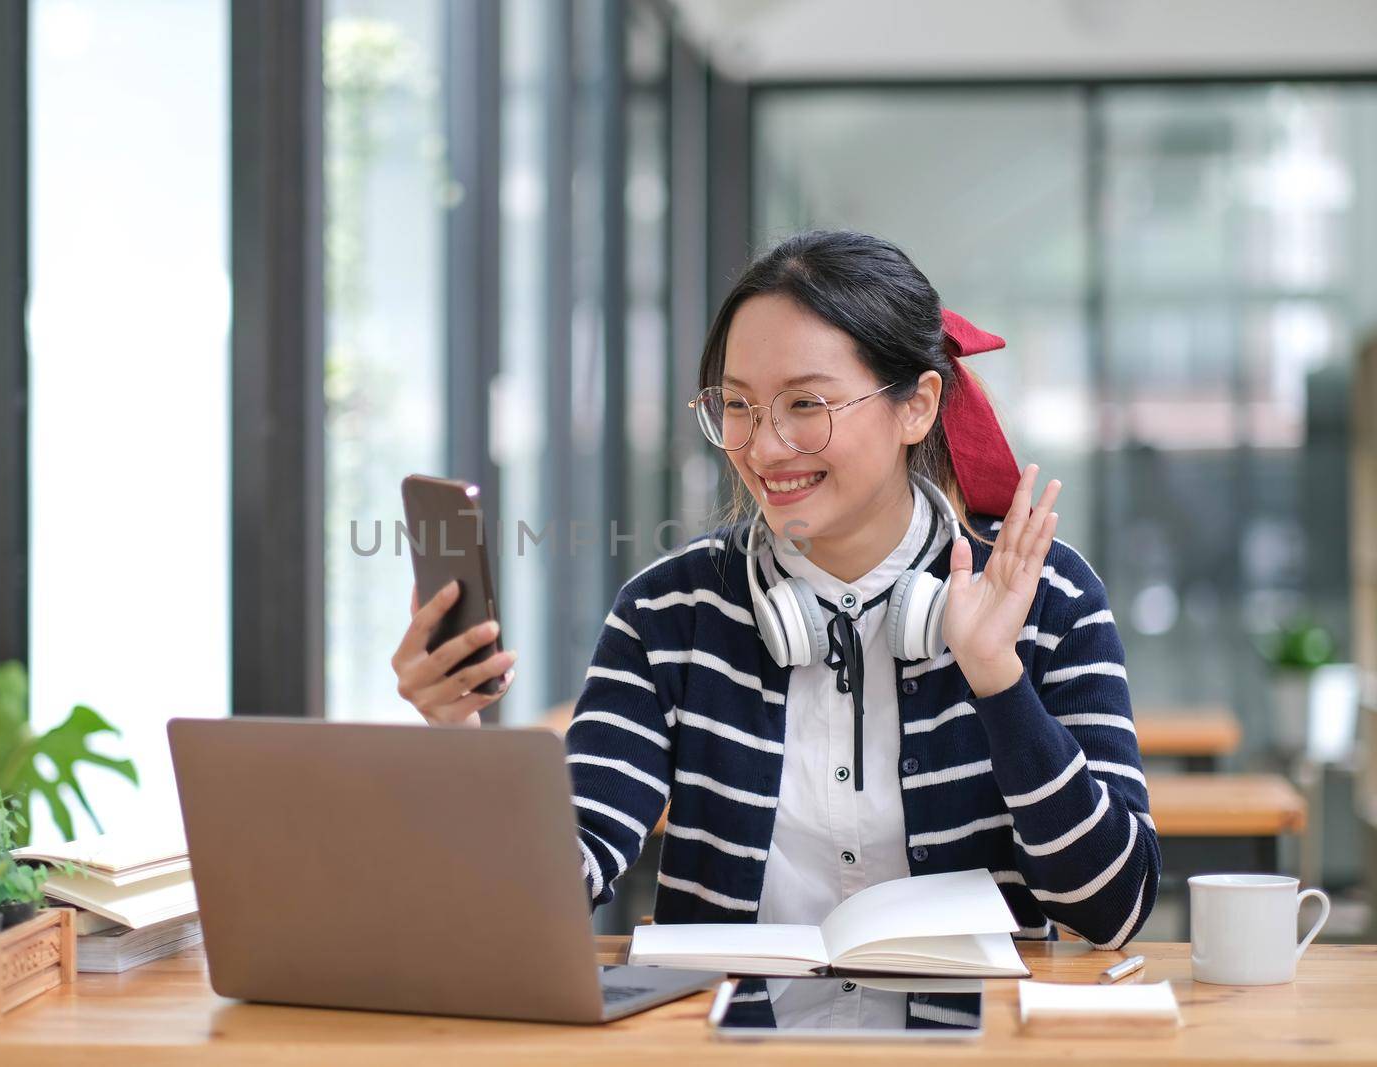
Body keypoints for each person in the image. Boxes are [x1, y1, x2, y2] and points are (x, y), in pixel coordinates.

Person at [391, 229, 1159, 949]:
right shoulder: (669, 612)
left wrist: (999, 681)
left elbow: (1112, 912)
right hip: (727, 1039)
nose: (762, 446)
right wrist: (459, 739)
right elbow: (557, 885)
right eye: (737, 405)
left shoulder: (1045, 594)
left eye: (805, 404)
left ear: (917, 406)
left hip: (971, 1043)